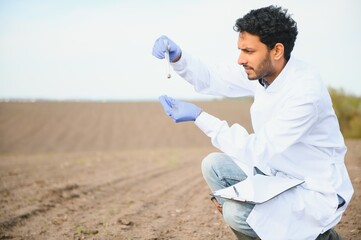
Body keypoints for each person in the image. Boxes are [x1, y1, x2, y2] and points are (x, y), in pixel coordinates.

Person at [152, 5, 354, 240]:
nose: (240, 59)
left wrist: (200, 117)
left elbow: (259, 149)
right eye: (240, 50)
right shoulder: (264, 73)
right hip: (278, 175)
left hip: (314, 190)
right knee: (214, 166)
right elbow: (211, 78)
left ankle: (324, 237)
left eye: (248, 51)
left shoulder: (305, 92)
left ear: (277, 50)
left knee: (237, 213)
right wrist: (178, 57)